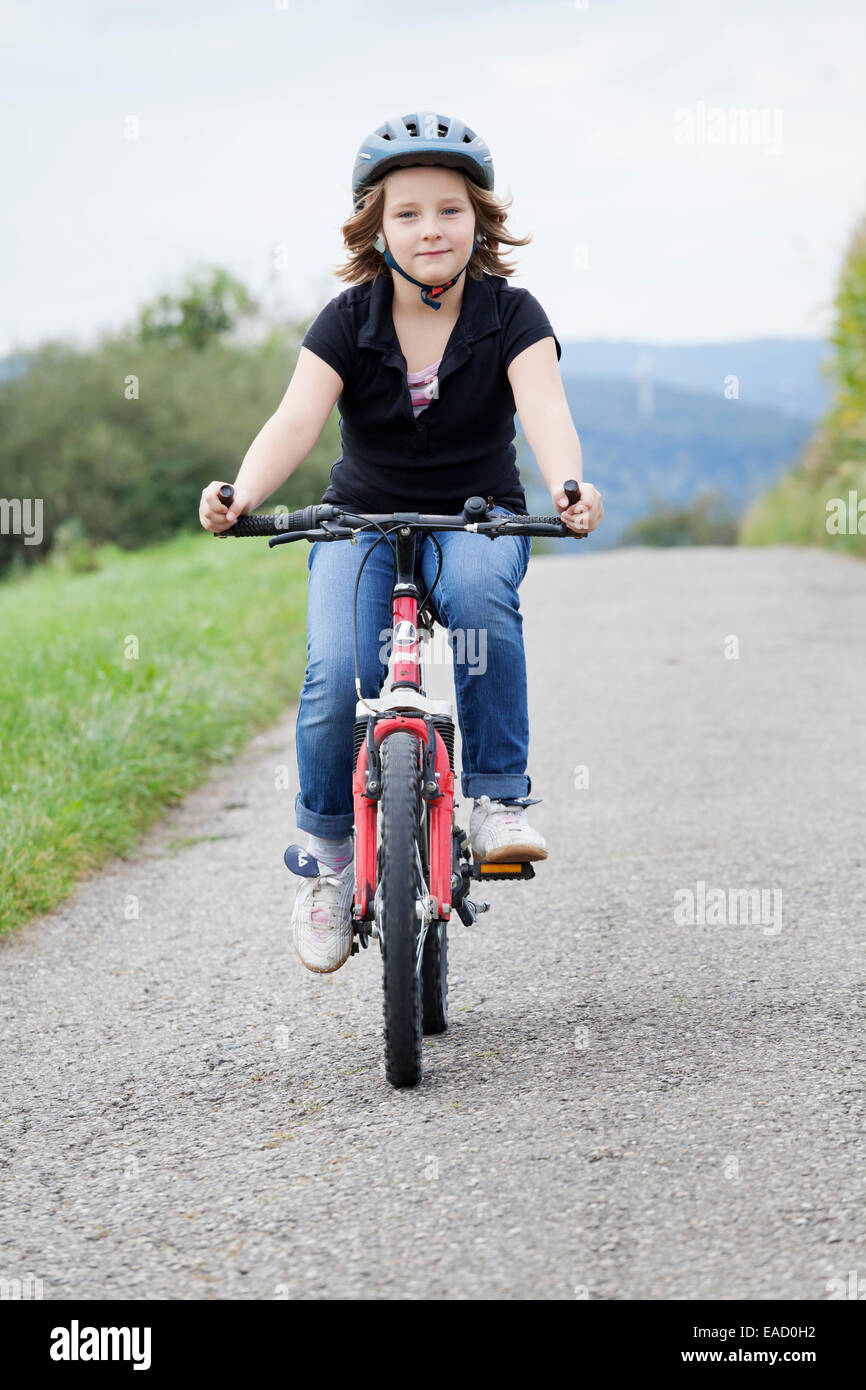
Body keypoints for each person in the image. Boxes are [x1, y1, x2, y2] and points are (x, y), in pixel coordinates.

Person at [200, 110, 603, 974]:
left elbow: (545, 410)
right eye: (409, 213)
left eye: (450, 210)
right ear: (375, 228)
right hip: (361, 520)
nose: (431, 229)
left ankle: (497, 801)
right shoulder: (346, 320)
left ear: (479, 221)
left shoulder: (513, 314)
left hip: (479, 518)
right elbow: (295, 421)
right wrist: (240, 493)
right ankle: (328, 862)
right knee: (337, 667)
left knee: (482, 604)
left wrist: (569, 486)